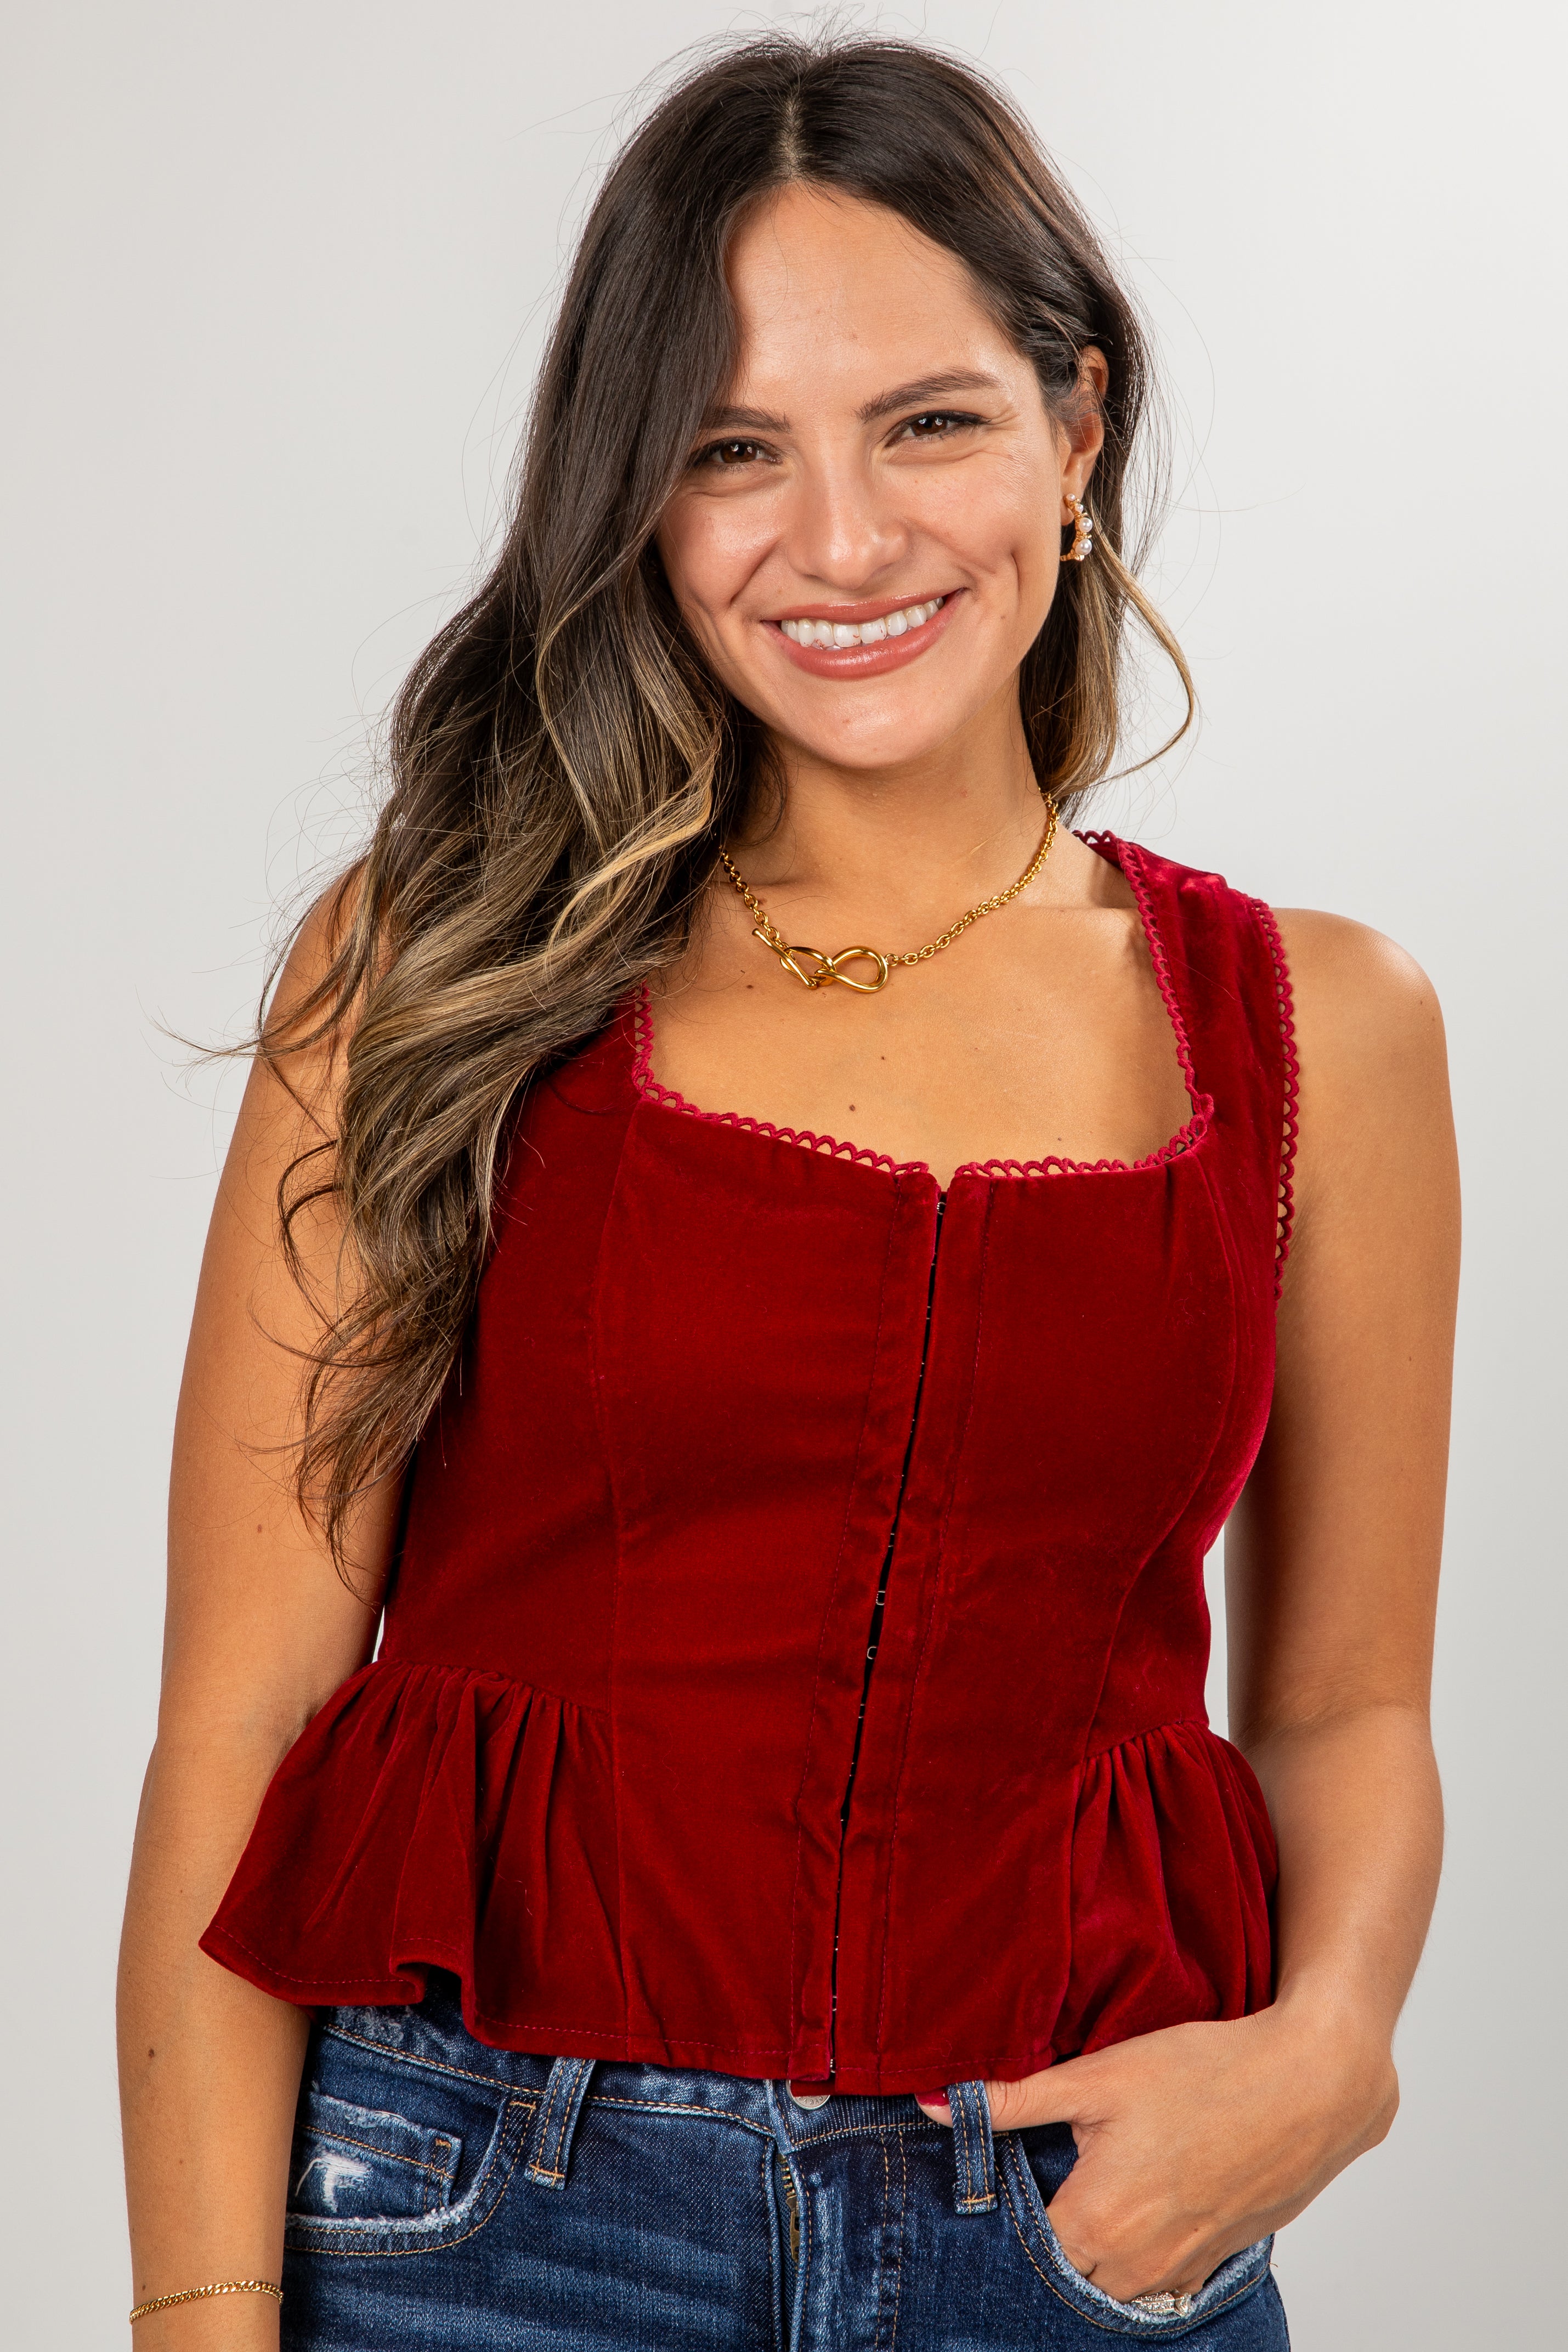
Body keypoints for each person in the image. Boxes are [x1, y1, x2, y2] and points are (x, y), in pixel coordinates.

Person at [117, 33, 1459, 2351]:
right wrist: (194, 2321)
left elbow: (1341, 1705)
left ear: (1078, 420)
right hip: (485, 2236)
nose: (836, 541)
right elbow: (239, 1727)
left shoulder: (1321, 1026)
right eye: (730, 450)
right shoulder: (434, 960)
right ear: (636, 497)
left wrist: (1330, 2047)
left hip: (1084, 2240)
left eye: (924, 420)